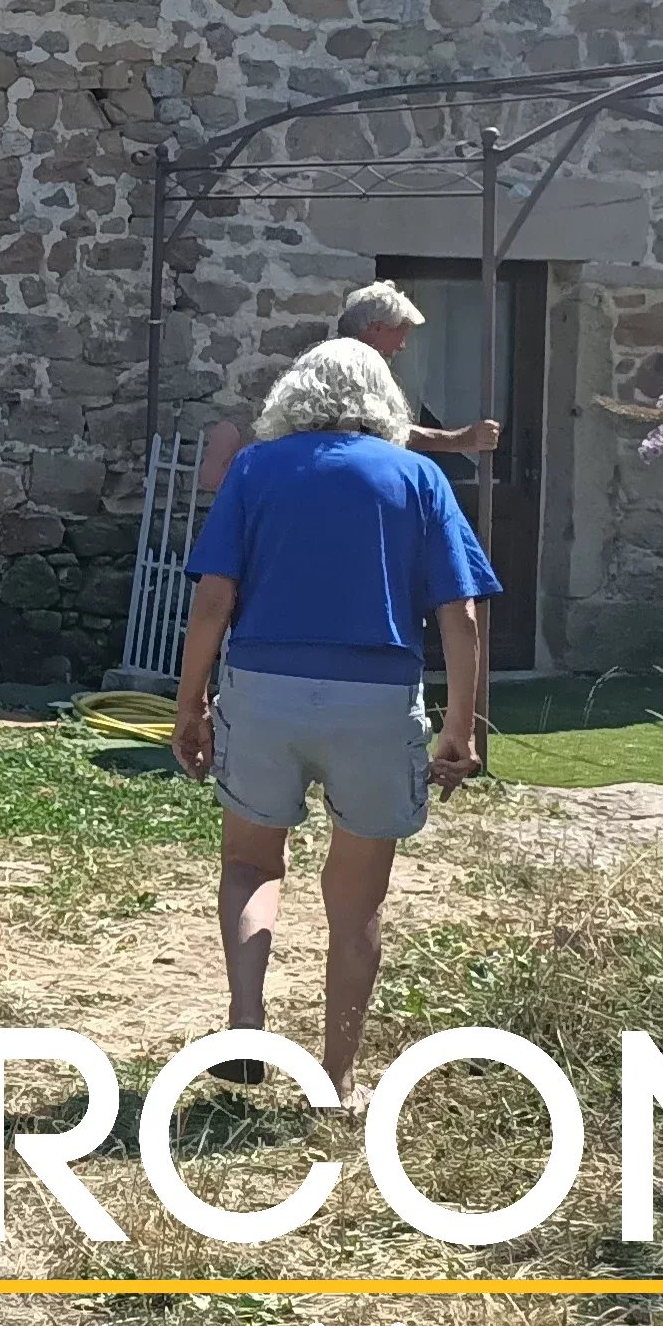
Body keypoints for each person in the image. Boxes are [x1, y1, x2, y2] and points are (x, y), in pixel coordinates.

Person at [170, 336, 499, 1101]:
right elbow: (461, 612)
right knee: (358, 899)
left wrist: (189, 703)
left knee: (251, 864)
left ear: (293, 394)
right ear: (385, 401)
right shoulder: (418, 476)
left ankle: (246, 1022)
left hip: (265, 686)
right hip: (376, 697)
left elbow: (214, 597)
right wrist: (461, 725)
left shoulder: (255, 468)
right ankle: (339, 1079)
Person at [196, 281, 501, 485]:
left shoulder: (320, 362)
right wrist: (458, 441)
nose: (403, 345)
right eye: (401, 333)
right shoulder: (345, 371)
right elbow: (388, 429)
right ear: (377, 328)